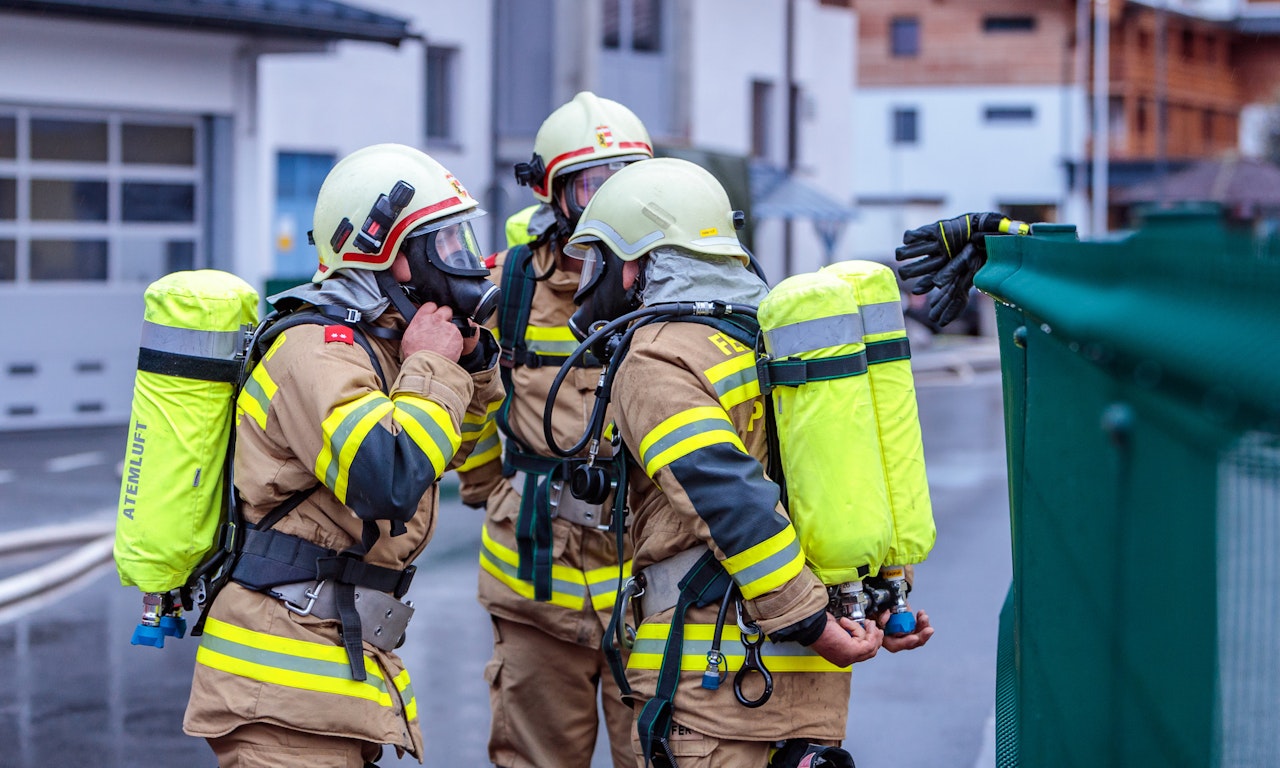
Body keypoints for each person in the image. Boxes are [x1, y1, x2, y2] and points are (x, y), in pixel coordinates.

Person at [563, 158, 935, 767]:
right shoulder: (773, 337)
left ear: (635, 263)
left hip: (717, 692)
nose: (588, 282)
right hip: (813, 688)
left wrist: (812, 623)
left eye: (596, 260)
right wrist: (880, 597)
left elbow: (729, 497)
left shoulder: (657, 358)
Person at [182, 143, 504, 767]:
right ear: (383, 250)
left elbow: (441, 453)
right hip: (279, 687)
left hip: (330, 675)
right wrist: (433, 365)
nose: (463, 260)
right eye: (444, 242)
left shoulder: (376, 348)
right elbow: (389, 479)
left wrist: (469, 367)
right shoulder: (316, 350)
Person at [454, 91, 652, 768]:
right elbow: (474, 399)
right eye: (592, 185)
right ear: (552, 193)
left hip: (650, 590)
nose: (608, 202)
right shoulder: (506, 286)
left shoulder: (675, 292)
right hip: (533, 586)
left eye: (625, 181)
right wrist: (490, 489)